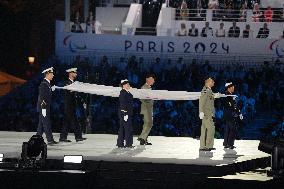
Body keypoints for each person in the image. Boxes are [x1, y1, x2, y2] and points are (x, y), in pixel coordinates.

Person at [59, 68, 86, 142]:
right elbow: (69, 93)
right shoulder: (67, 83)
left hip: (72, 106)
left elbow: (76, 95)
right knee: (74, 122)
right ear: (70, 73)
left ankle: (64, 138)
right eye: (75, 73)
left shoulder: (73, 83)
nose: (76, 74)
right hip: (69, 106)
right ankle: (77, 137)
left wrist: (82, 101)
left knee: (67, 122)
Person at [36, 67, 57, 145]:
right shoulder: (44, 84)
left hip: (44, 107)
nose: (53, 75)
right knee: (46, 123)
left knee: (41, 124)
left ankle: (37, 139)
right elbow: (42, 97)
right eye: (52, 74)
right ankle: (50, 140)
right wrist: (44, 109)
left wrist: (51, 89)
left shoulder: (47, 84)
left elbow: (46, 95)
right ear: (47, 74)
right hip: (44, 107)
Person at [199, 77, 220, 151]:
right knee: (210, 129)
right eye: (212, 82)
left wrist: (215, 96)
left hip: (208, 113)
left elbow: (209, 99)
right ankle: (207, 146)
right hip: (206, 113)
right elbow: (202, 101)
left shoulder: (209, 90)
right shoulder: (205, 90)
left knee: (205, 130)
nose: (213, 83)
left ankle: (205, 146)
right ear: (208, 82)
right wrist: (201, 111)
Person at [223, 82, 243, 149]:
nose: (233, 88)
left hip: (230, 114)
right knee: (233, 129)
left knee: (228, 129)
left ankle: (226, 143)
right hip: (229, 114)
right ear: (229, 88)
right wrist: (232, 100)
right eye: (232, 87)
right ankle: (230, 144)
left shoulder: (231, 95)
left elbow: (235, 106)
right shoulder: (226, 95)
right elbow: (228, 105)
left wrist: (239, 113)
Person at [138, 74, 155, 145]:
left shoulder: (148, 88)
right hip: (146, 108)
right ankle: (142, 138)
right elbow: (141, 98)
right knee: (149, 123)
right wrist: (148, 103)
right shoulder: (144, 87)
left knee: (147, 124)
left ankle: (144, 139)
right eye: (151, 79)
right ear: (147, 79)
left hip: (149, 108)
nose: (153, 81)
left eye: (153, 80)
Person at [117, 79, 134, 148]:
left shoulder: (126, 92)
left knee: (123, 128)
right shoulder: (123, 92)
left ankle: (120, 143)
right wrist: (125, 113)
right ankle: (128, 144)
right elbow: (123, 103)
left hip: (125, 112)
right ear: (123, 85)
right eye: (127, 84)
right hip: (125, 113)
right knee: (128, 128)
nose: (129, 85)